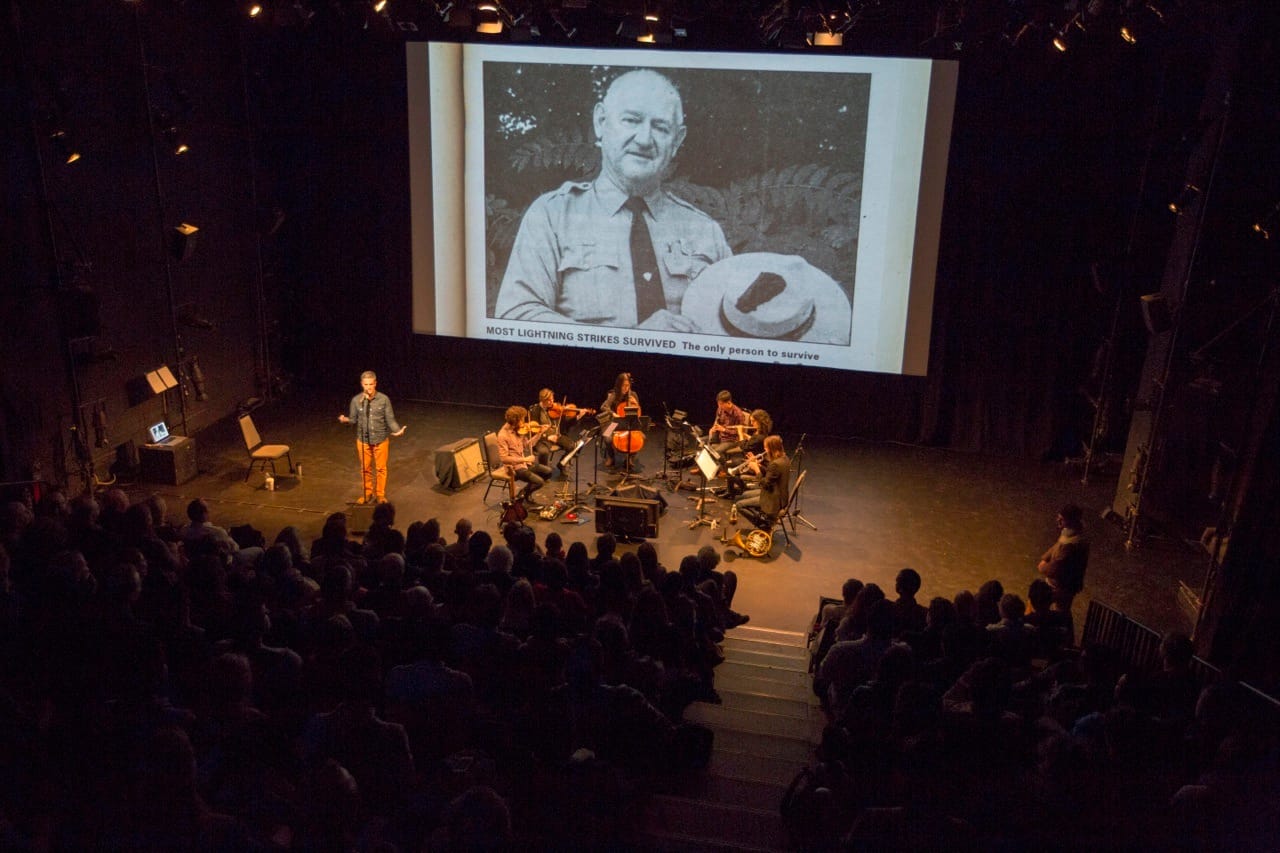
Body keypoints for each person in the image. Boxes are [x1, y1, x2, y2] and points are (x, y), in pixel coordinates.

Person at [494, 69, 732, 331]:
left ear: (677, 141)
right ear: (600, 122)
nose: (644, 139)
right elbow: (516, 316)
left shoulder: (705, 232)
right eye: (631, 120)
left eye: (661, 127)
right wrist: (632, 339)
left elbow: (733, 327)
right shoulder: (553, 216)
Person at [337, 371, 405, 505]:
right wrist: (345, 420)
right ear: (362, 384)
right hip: (363, 440)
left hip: (380, 439)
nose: (368, 387)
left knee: (381, 468)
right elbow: (353, 420)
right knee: (365, 468)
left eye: (371, 384)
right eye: (366, 384)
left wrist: (397, 430)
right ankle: (367, 493)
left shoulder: (384, 399)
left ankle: (380, 495)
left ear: (375, 384)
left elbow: (390, 419)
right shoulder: (357, 401)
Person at [496, 406, 554, 507]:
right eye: (522, 419)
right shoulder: (503, 435)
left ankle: (523, 492)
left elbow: (527, 445)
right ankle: (524, 495)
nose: (524, 422)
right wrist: (524, 459)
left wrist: (539, 434)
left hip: (525, 464)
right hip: (514, 469)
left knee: (548, 472)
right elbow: (504, 459)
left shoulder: (519, 430)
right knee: (539, 482)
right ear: (515, 421)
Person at [1037, 503, 1089, 611]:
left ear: (1071, 521)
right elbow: (1057, 546)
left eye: (1062, 519)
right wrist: (1046, 557)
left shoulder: (1071, 544)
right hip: (1063, 584)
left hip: (1062, 586)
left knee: (1058, 611)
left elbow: (1057, 567)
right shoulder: (1069, 532)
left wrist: (1042, 567)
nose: (1058, 520)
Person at [733, 434, 790, 521]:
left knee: (739, 505)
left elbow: (764, 484)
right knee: (744, 495)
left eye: (766, 448)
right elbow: (772, 474)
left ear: (771, 449)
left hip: (773, 499)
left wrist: (756, 469)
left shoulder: (775, 464)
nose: (765, 450)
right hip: (778, 494)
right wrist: (758, 465)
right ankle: (762, 518)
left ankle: (764, 524)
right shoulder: (785, 458)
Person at [528, 387, 583, 470]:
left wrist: (578, 416)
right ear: (543, 400)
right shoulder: (535, 410)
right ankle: (544, 471)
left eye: (552, 399)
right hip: (541, 438)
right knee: (543, 452)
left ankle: (562, 464)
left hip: (557, 436)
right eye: (549, 400)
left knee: (573, 446)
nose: (552, 402)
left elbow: (566, 423)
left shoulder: (556, 409)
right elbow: (534, 429)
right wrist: (547, 437)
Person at [600, 372, 642, 470]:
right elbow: (603, 407)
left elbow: (638, 412)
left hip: (630, 423)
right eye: (623, 386)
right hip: (615, 421)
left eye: (628, 386)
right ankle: (611, 457)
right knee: (607, 437)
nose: (625, 388)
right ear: (619, 385)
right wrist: (612, 413)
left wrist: (636, 403)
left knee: (641, 438)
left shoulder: (634, 395)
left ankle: (629, 458)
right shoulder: (614, 394)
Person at [708, 390, 753, 456]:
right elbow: (717, 420)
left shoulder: (738, 414)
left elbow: (740, 432)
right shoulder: (720, 409)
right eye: (718, 404)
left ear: (729, 403)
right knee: (706, 446)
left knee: (716, 452)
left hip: (732, 440)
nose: (719, 406)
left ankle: (722, 465)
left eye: (721, 404)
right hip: (721, 436)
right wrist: (713, 427)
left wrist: (724, 430)